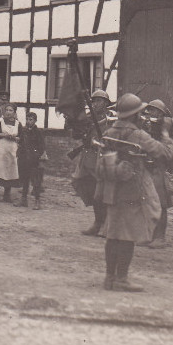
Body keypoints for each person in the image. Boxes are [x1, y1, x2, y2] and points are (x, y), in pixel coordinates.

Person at [94, 94, 171, 291]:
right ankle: (122, 279)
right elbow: (164, 153)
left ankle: (109, 277)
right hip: (132, 189)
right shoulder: (138, 135)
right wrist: (165, 133)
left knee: (113, 234)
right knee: (127, 235)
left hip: (112, 189)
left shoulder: (109, 131)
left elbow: (100, 163)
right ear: (135, 115)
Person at [71, 89, 113, 236]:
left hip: (103, 158)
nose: (96, 104)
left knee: (102, 191)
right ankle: (97, 222)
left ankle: (105, 224)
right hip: (88, 157)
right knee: (88, 187)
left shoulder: (111, 119)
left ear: (106, 103)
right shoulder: (88, 118)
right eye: (94, 101)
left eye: (99, 101)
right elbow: (76, 134)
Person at [139, 98, 173, 248]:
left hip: (158, 169)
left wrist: (164, 130)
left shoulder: (167, 128)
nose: (150, 113)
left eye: (154, 110)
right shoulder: (146, 125)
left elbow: (168, 151)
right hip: (146, 167)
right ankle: (149, 235)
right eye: (150, 110)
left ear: (161, 113)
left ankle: (160, 237)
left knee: (160, 203)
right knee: (145, 202)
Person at [0, 102, 20, 203]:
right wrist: (3, 135)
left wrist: (16, 138)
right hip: (1, 148)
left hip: (12, 149)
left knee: (10, 171)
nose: (8, 112)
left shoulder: (18, 123)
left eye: (11, 110)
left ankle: (7, 194)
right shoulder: (0, 121)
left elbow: (21, 136)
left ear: (14, 112)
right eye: (7, 110)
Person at [15, 111, 47, 209]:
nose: (28, 121)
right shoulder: (23, 131)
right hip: (24, 159)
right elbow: (20, 142)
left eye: (31, 120)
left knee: (35, 181)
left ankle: (37, 201)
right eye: (27, 119)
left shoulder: (38, 132)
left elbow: (42, 146)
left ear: (35, 121)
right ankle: (24, 200)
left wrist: (35, 155)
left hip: (34, 160)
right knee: (25, 179)